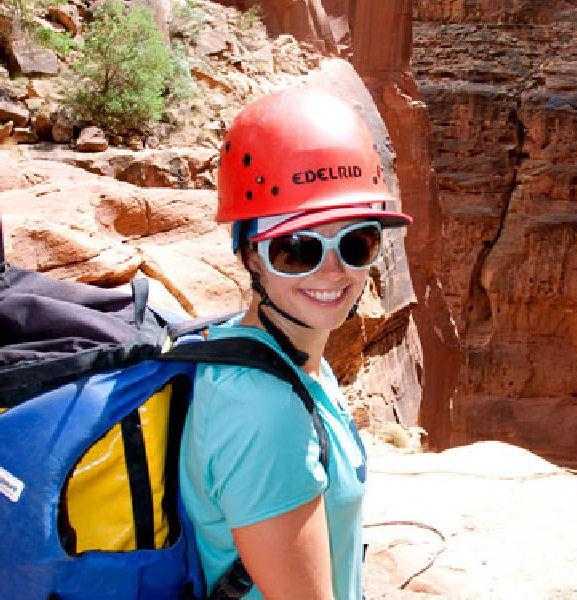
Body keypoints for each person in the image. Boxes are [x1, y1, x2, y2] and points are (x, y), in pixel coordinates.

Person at [179, 89, 412, 599]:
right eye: (297, 249)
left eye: (357, 242)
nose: (333, 270)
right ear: (249, 253)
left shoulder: (291, 361)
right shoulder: (266, 411)